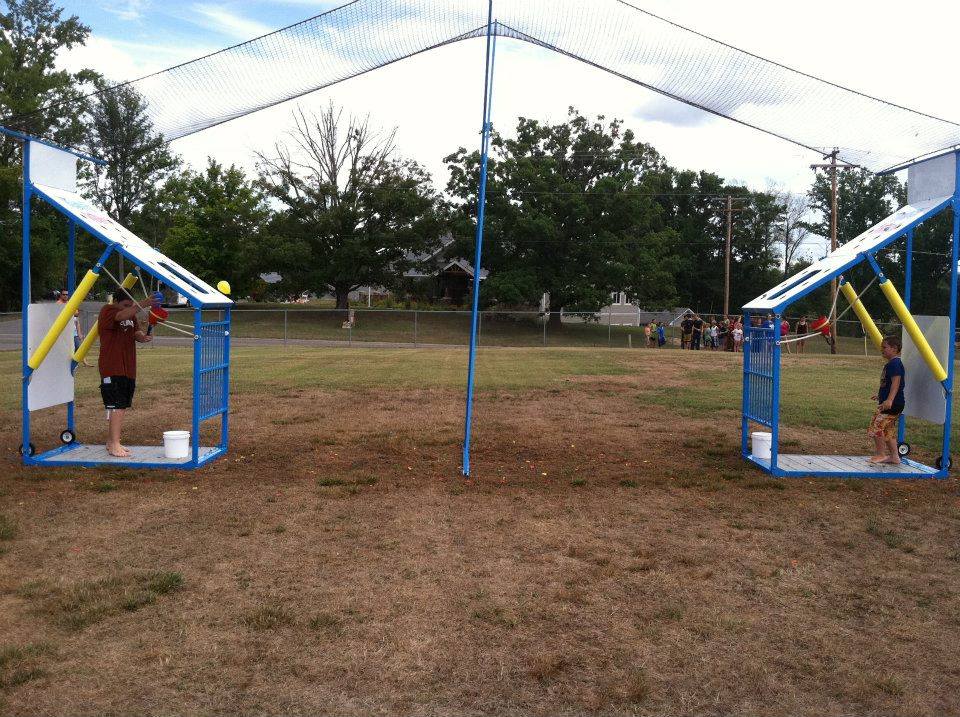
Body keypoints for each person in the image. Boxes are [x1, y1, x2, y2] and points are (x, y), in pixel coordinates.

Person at [98, 292, 157, 457]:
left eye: (130, 305)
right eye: (125, 305)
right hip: (112, 365)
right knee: (116, 405)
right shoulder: (108, 310)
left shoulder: (131, 315)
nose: (128, 308)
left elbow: (136, 332)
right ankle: (115, 444)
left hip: (128, 367)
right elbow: (121, 316)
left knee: (122, 405)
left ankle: (111, 442)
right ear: (116, 301)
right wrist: (143, 303)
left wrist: (143, 336)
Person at [868, 335, 906, 465]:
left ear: (894, 348)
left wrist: (889, 400)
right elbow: (889, 385)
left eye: (884, 347)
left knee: (876, 425)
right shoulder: (892, 364)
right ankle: (895, 457)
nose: (882, 350)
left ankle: (881, 454)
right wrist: (881, 396)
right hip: (893, 402)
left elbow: (896, 383)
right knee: (888, 429)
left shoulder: (895, 364)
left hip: (892, 404)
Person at [58, 290, 90, 367]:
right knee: (66, 349)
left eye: (67, 294)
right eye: (64, 294)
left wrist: (79, 333)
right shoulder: (58, 304)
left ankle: (84, 362)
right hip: (64, 332)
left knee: (78, 346)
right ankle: (67, 363)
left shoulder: (71, 304)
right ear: (61, 295)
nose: (65, 296)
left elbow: (76, 319)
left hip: (73, 331)